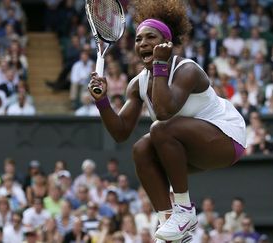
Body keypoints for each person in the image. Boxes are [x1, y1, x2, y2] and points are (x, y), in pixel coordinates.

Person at [87, 0, 246, 241]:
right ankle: (169, 221)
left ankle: (184, 211)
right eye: (139, 39)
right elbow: (120, 132)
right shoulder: (137, 84)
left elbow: (164, 111)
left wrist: (160, 65)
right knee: (141, 149)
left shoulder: (187, 70)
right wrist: (102, 101)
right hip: (194, 148)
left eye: (150, 37)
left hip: (227, 139)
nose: (143, 44)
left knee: (159, 129)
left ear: (166, 44)